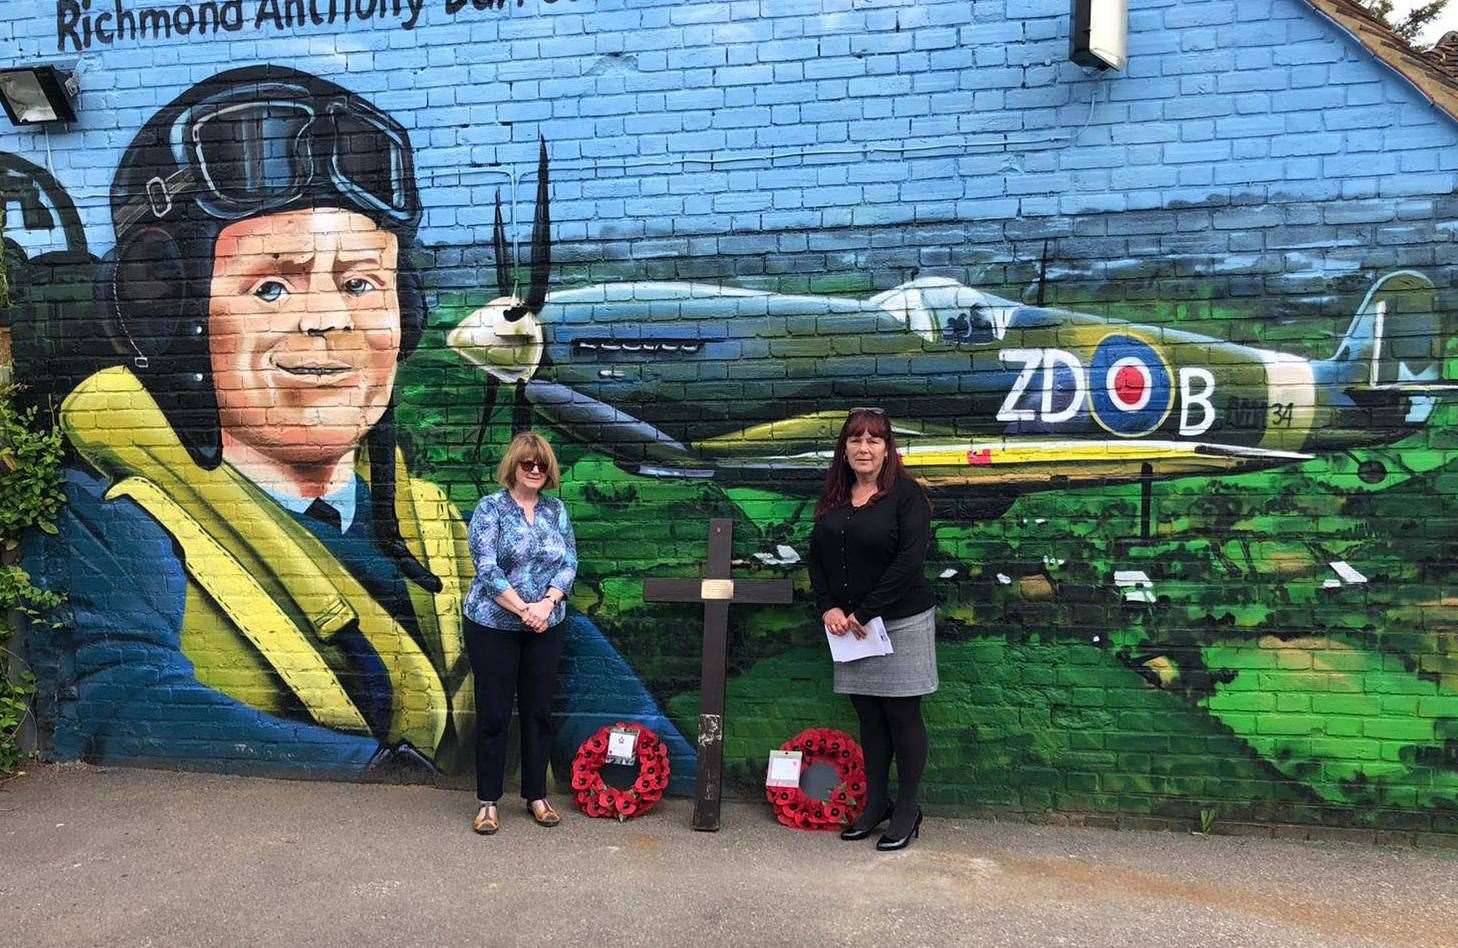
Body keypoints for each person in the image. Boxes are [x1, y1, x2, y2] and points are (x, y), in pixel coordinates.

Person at [21, 66, 698, 788]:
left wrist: (646, 765)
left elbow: (555, 648)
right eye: (272, 285)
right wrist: (384, 780)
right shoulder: (112, 518)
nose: (329, 320)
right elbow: (121, 704)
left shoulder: (420, 519)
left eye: (360, 283)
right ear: (165, 314)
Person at [807, 408, 937, 851]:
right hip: (850, 628)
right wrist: (829, 606)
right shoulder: (834, 499)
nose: (864, 448)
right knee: (869, 716)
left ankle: (907, 807)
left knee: (902, 716)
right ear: (843, 449)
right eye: (855, 440)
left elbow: (909, 562)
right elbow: (817, 558)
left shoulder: (906, 496)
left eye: (874, 440)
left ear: (887, 448)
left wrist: (864, 612)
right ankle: (877, 801)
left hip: (899, 622)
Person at [464, 431, 576, 834]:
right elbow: (486, 567)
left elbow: (569, 562)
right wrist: (524, 609)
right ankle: (488, 802)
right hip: (493, 625)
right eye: (527, 463)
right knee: (494, 712)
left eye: (542, 464)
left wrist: (547, 604)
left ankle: (537, 796)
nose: (535, 470)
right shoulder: (490, 509)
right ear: (513, 465)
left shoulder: (556, 511)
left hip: (547, 624)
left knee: (539, 712)